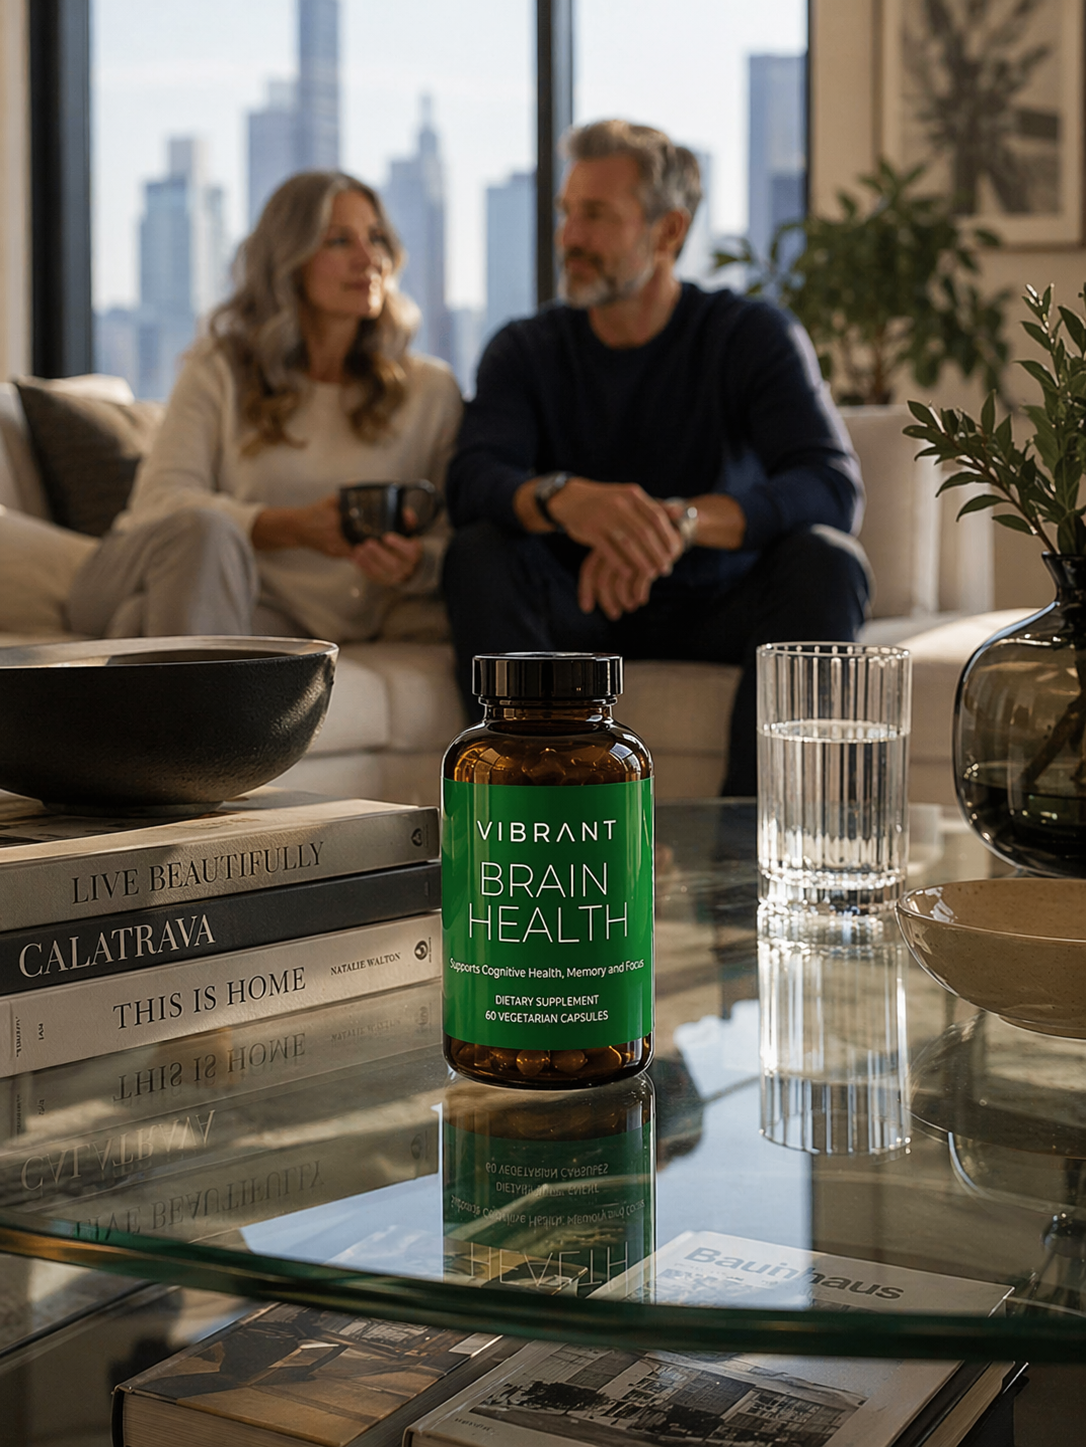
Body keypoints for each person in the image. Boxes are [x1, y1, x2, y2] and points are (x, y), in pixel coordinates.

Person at [443, 120, 869, 795]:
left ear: (668, 231)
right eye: (566, 213)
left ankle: (754, 836)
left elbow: (830, 485)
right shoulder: (524, 348)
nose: (569, 238)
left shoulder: (752, 335)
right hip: (574, 607)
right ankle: (547, 815)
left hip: (719, 601)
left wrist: (676, 524)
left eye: (595, 216)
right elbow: (472, 478)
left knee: (827, 561)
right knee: (477, 552)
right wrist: (564, 498)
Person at [69, 171, 462, 645]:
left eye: (375, 237)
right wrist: (286, 527)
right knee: (206, 533)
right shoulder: (221, 368)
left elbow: (451, 541)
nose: (369, 258)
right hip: (157, 568)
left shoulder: (430, 391)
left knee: (139, 622)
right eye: (339, 241)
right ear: (289, 261)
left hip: (268, 621)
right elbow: (159, 504)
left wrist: (416, 564)